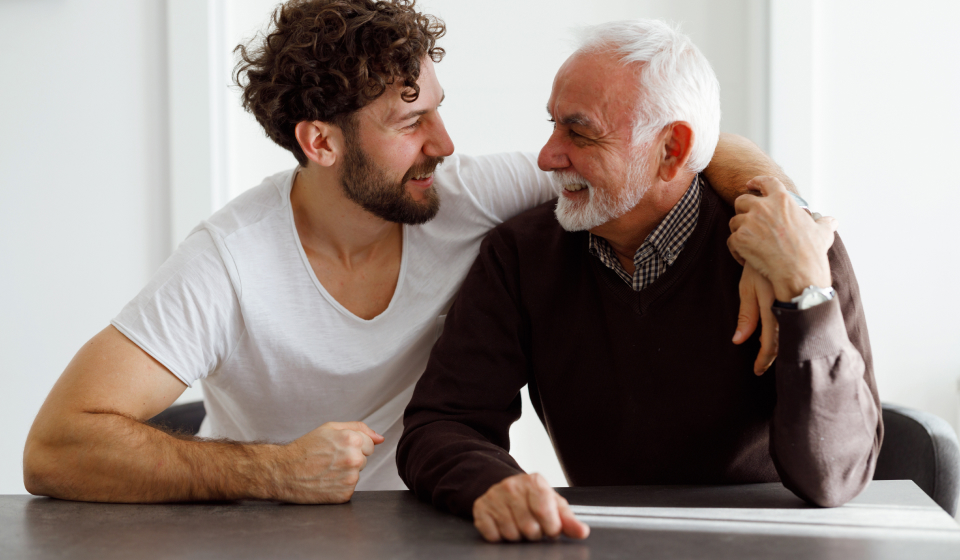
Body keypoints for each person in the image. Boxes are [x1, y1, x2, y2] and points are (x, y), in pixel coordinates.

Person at [24, 1, 797, 503]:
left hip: (430, 529)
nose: (445, 143)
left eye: (437, 109)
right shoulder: (227, 263)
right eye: (408, 122)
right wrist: (273, 472)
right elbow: (56, 445)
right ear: (319, 142)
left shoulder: (463, 194)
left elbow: (660, 145)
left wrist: (781, 216)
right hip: (257, 537)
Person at [397, 19, 881, 542]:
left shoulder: (794, 251)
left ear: (672, 150)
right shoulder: (521, 255)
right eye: (553, 125)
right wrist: (492, 485)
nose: (547, 156)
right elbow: (441, 423)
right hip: (603, 543)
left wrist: (806, 297)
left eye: (579, 132)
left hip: (766, 547)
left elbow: (834, 479)